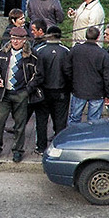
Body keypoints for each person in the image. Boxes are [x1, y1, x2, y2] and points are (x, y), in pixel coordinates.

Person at [0, 26, 37, 163]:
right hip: (5, 93)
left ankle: (18, 150)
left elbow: (38, 75)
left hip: (21, 93)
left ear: (24, 40)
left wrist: (28, 90)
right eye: (13, 38)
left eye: (18, 39)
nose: (15, 42)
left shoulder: (31, 55)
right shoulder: (3, 52)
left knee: (19, 125)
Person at [31, 25, 70, 154]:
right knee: (60, 121)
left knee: (41, 120)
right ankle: (59, 146)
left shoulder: (39, 50)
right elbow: (68, 72)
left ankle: (41, 147)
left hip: (43, 91)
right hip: (61, 91)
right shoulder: (65, 51)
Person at [64, 26, 109, 124]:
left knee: (74, 119)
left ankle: (73, 138)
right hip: (97, 92)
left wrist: (72, 82)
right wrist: (108, 94)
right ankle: (91, 138)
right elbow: (107, 76)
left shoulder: (75, 50)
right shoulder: (103, 54)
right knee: (94, 122)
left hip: (78, 89)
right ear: (98, 37)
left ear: (86, 36)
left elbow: (66, 68)